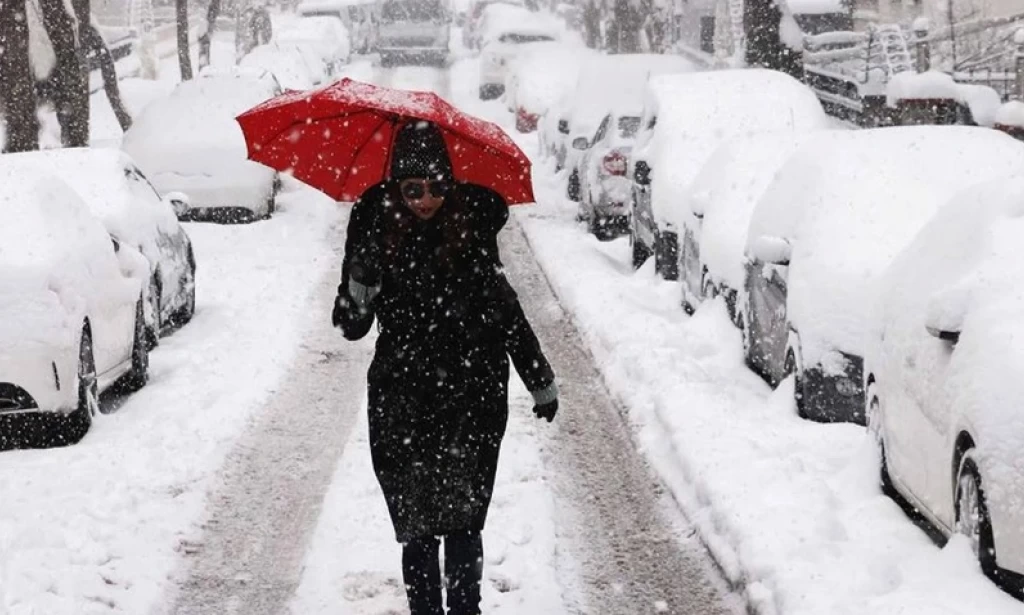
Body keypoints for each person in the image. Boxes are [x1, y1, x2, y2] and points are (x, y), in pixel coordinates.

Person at [332, 121, 559, 615]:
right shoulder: (374, 230)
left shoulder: (472, 229)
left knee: (461, 520)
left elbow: (506, 312)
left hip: (470, 393)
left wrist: (539, 377)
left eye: (438, 186)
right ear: (397, 186)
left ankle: (464, 608)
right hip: (402, 396)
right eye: (413, 188)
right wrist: (361, 282)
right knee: (415, 524)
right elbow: (351, 327)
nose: (427, 199)